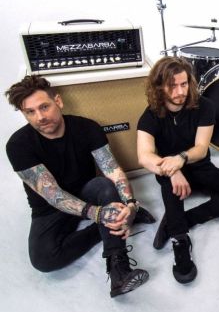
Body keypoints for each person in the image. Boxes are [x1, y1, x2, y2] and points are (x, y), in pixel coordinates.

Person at [5, 75, 154, 298]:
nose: (40, 117)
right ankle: (107, 224)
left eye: (44, 107)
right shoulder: (18, 145)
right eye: (30, 112)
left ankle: (119, 268)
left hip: (87, 192)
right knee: (43, 260)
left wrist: (131, 204)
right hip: (49, 208)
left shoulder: (87, 128)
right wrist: (99, 214)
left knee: (104, 186)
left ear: (58, 101)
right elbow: (53, 195)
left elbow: (112, 170)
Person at [137, 56, 219, 284]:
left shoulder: (204, 106)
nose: (180, 91)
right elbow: (144, 156)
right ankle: (180, 239)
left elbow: (200, 148)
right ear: (159, 87)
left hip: (199, 166)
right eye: (172, 85)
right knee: (171, 189)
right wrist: (172, 170)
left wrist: (180, 159)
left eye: (184, 84)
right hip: (169, 172)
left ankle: (182, 220)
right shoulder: (149, 116)